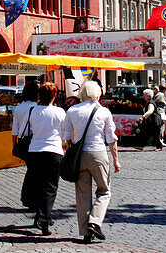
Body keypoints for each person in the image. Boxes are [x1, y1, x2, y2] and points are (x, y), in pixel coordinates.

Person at [62, 81, 119, 244]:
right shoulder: (104, 111)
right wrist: (116, 160)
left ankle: (86, 231)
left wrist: (68, 148)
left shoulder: (72, 110)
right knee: (104, 190)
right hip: (98, 153)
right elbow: (111, 138)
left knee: (82, 194)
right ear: (98, 93)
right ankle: (95, 221)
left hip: (79, 156)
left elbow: (66, 135)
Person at [23, 82, 65, 236]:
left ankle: (40, 217)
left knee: (38, 185)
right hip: (54, 151)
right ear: (54, 95)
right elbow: (65, 132)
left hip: (35, 150)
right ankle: (44, 219)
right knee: (50, 187)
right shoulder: (60, 112)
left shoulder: (32, 111)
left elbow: (27, 130)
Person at [12, 81, 40, 218]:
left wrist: (14, 145)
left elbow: (14, 130)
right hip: (33, 141)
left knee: (31, 169)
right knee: (34, 171)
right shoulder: (36, 106)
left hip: (22, 142)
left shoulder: (19, 107)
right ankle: (31, 199)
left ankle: (28, 198)